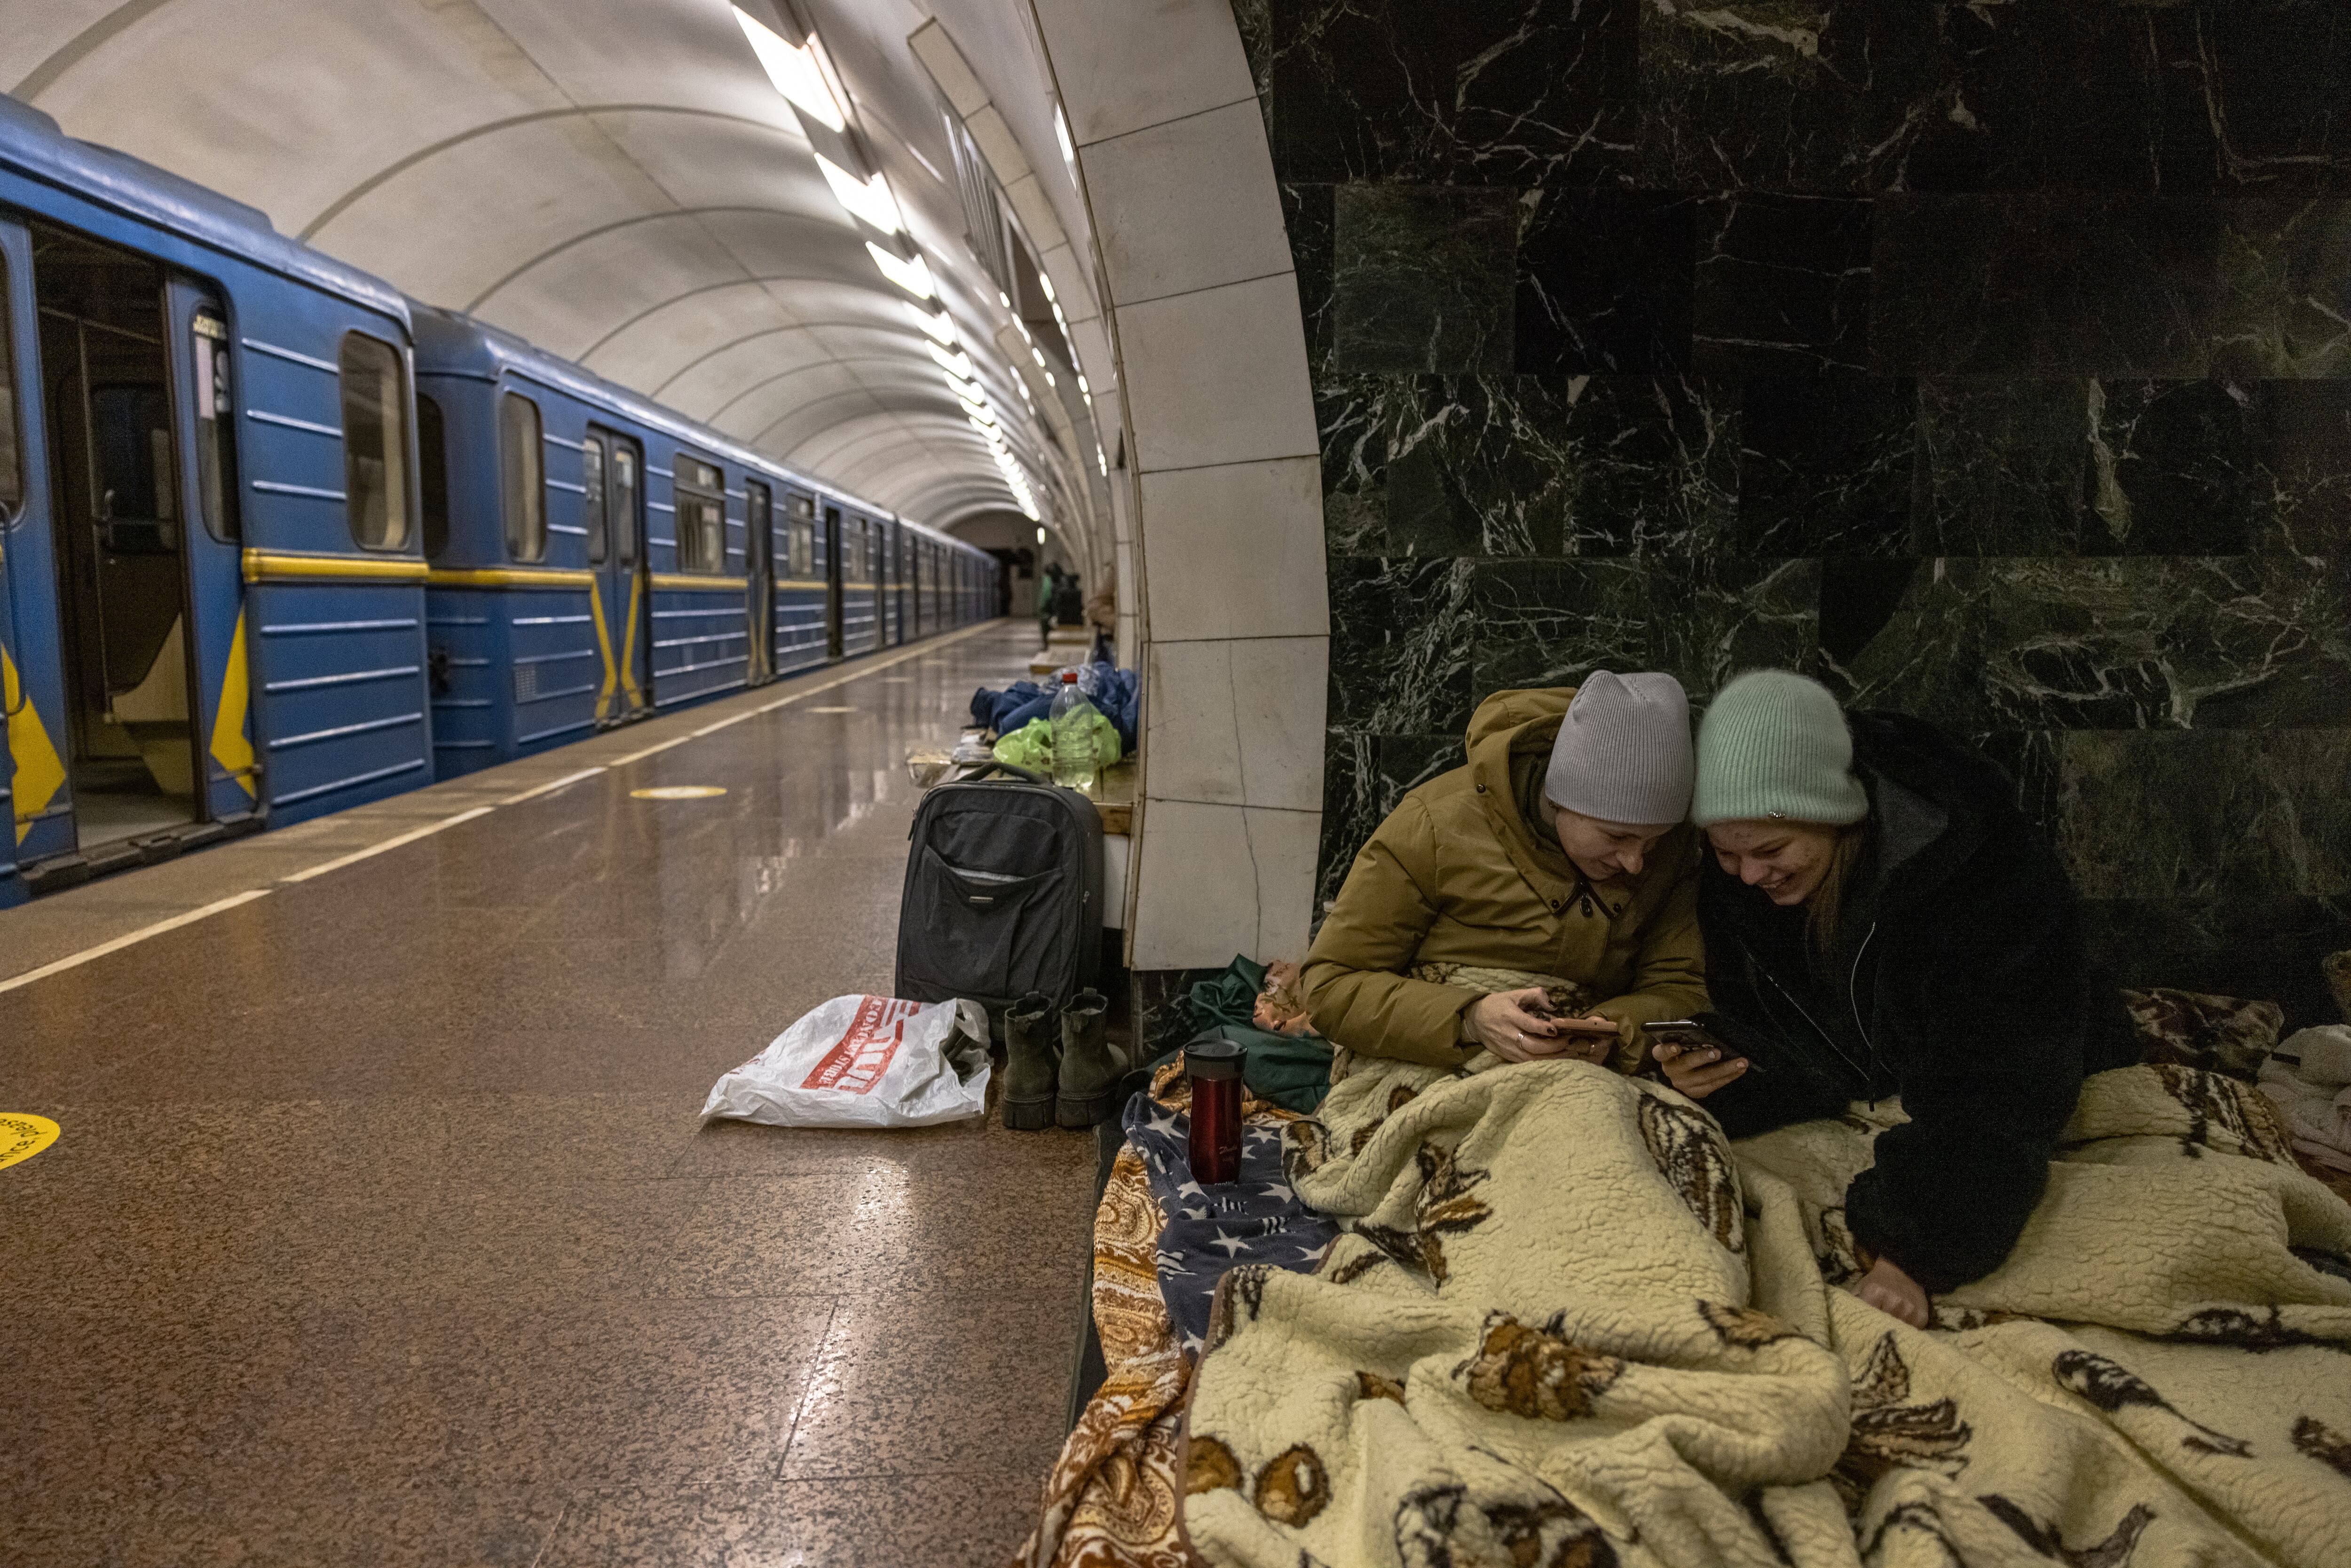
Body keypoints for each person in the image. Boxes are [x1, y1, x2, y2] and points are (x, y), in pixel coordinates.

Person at [1658, 669, 2134, 1327]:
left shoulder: (1984, 872)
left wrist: (1914, 1246)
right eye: (1726, 854)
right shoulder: (1741, 878)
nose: (1749, 875)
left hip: (2040, 1063)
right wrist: (1717, 1072)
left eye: (1770, 849)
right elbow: (1782, 1028)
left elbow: (1999, 1080)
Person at [1302, 673, 1708, 1073]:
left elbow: (1680, 988)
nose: (1636, 862)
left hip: (1584, 1074)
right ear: (1560, 797)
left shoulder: (1674, 850)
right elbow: (1330, 985)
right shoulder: (1432, 826)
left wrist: (1616, 1030)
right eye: (1617, 835)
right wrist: (1469, 1017)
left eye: (1653, 841)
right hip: (1432, 1059)